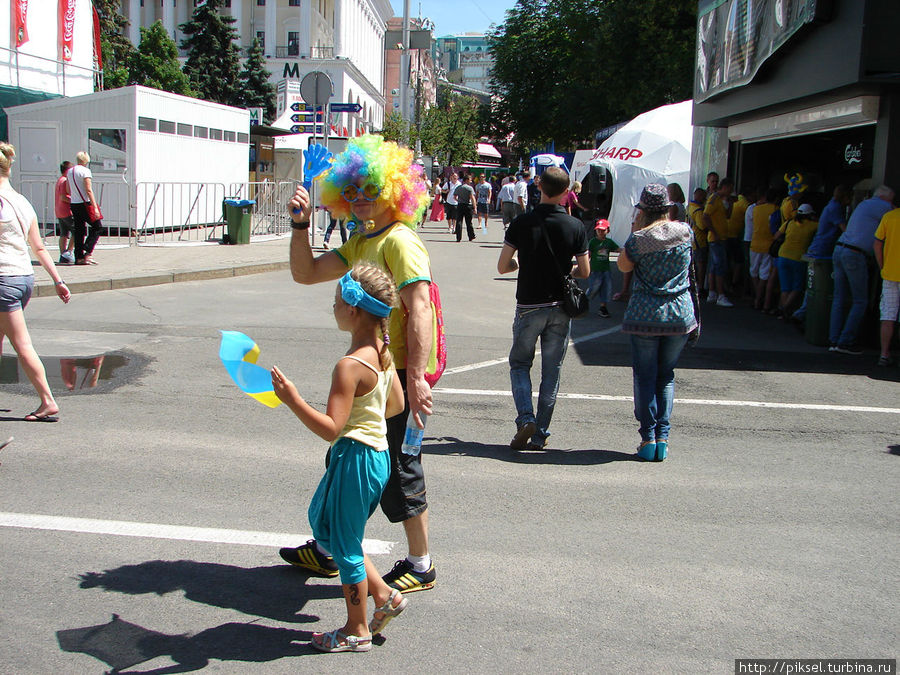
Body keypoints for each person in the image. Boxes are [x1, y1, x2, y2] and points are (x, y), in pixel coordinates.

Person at [282, 134, 436, 594]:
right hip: (375, 374)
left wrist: (416, 380)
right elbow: (305, 273)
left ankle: (421, 563)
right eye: (352, 193)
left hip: (394, 379)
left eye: (372, 191)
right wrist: (299, 225)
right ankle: (330, 548)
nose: (362, 201)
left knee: (398, 469)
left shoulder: (400, 241)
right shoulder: (360, 239)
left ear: (393, 191)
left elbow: (421, 307)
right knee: (345, 460)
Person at [271, 263, 406, 653]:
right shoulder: (382, 351)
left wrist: (293, 400)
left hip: (355, 460)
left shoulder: (348, 366)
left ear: (353, 310)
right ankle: (386, 596)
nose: (331, 306)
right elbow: (395, 405)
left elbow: (331, 428)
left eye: (336, 300)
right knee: (330, 529)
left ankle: (357, 629)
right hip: (374, 456)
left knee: (345, 547)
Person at [497, 166, 590, 450]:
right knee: (552, 370)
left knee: (520, 364)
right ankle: (540, 433)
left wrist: (522, 264)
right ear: (566, 193)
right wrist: (564, 271)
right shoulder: (575, 226)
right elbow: (584, 271)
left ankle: (525, 417)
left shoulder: (522, 223)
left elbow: (503, 266)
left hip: (528, 304)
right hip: (560, 307)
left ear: (539, 187)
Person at [617, 183, 697, 462]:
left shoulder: (639, 239)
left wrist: (634, 230)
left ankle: (648, 437)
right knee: (666, 375)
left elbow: (623, 266)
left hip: (646, 315)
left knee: (644, 375)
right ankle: (663, 437)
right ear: (668, 207)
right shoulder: (686, 232)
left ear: (642, 210)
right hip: (679, 314)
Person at [0, 142, 71, 421]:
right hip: (23, 278)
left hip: (3, 280)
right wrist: (58, 280)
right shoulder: (21, 201)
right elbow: (39, 248)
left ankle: (47, 401)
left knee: (22, 344)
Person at [829, 185, 895, 354]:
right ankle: (846, 341)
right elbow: (895, 218)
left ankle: (834, 339)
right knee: (860, 301)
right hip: (855, 254)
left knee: (839, 298)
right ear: (884, 198)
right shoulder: (884, 206)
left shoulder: (864, 204)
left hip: (840, 249)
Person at [772, 203, 818, 319]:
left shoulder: (789, 223)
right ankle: (784, 309)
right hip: (799, 258)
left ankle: (783, 312)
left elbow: (776, 236)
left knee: (785, 287)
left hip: (783, 256)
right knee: (797, 287)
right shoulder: (813, 225)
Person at [703, 176, 735, 307]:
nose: (731, 192)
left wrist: (731, 204)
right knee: (720, 266)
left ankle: (712, 293)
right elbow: (705, 216)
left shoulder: (721, 200)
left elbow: (727, 216)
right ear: (725, 187)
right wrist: (714, 232)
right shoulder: (714, 198)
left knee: (714, 267)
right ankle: (720, 294)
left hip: (721, 237)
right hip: (717, 239)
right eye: (730, 189)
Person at [874, 206, 900, 366]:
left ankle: (884, 354)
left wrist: (882, 266)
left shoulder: (889, 217)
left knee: (888, 316)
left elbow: (877, 243)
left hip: (889, 274)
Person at [67, 150, 102, 266]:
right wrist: (95, 206)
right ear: (86, 160)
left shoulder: (70, 171)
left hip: (74, 203)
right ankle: (88, 250)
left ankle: (79, 257)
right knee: (97, 226)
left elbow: (68, 189)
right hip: (85, 203)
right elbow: (88, 190)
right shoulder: (85, 171)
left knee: (79, 230)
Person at [749, 188, 778, 311]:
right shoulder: (776, 210)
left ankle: (757, 297)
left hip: (755, 243)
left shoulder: (755, 209)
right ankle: (760, 300)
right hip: (768, 245)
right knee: (764, 275)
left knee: (754, 272)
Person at [587, 219, 618, 318]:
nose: (600, 232)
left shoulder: (609, 242)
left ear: (607, 230)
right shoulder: (593, 242)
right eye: (598, 230)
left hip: (606, 269)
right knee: (594, 288)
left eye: (603, 230)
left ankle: (603, 307)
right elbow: (588, 255)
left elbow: (618, 249)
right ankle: (583, 302)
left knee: (606, 288)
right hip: (595, 269)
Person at [687, 188, 708, 299]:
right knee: (701, 265)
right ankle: (699, 287)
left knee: (692, 264)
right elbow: (702, 226)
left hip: (691, 239)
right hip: (699, 240)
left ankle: (691, 284)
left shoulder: (689, 207)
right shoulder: (698, 211)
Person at [55, 161, 75, 265]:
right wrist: (74, 199)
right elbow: (63, 197)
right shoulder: (65, 181)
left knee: (63, 233)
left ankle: (62, 254)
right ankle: (68, 252)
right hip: (66, 211)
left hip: (59, 211)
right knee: (77, 231)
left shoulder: (60, 180)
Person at [453, 174, 477, 242]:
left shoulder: (458, 187)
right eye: (470, 180)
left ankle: (458, 237)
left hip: (460, 205)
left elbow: (454, 197)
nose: (471, 181)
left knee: (459, 221)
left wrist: (458, 200)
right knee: (469, 222)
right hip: (467, 205)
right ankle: (471, 236)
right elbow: (472, 198)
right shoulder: (469, 188)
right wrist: (475, 207)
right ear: (466, 180)